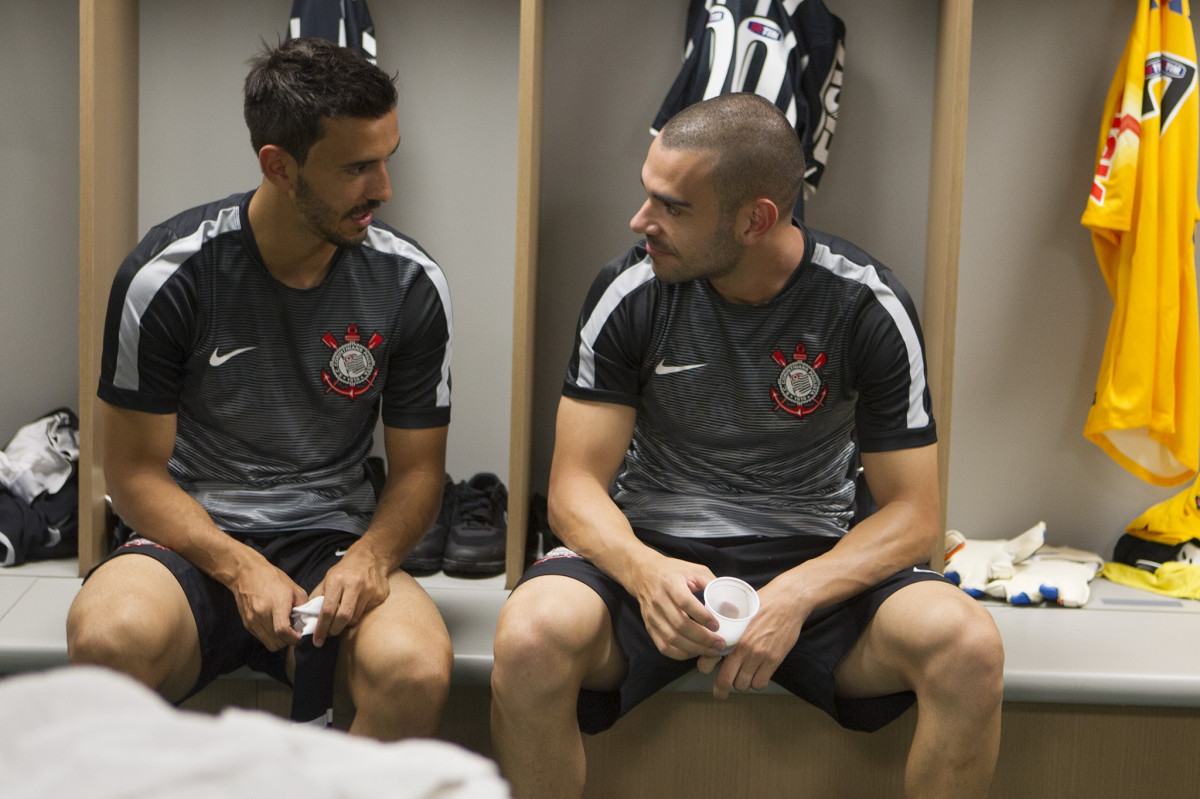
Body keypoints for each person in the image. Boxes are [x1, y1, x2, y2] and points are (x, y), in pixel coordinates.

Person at [490, 93, 1003, 797]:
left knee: (969, 646)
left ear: (756, 219)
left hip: (813, 556)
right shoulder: (629, 291)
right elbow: (575, 487)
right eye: (648, 196)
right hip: (654, 550)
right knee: (528, 636)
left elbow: (915, 515)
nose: (642, 221)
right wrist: (644, 572)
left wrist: (793, 595)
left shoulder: (866, 304)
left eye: (672, 207)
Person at [67, 38, 454, 741]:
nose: (384, 188)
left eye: (387, 157)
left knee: (417, 667)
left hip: (333, 537)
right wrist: (240, 565)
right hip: (192, 538)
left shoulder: (410, 283)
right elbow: (129, 472)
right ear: (278, 166)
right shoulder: (168, 276)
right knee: (107, 638)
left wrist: (369, 558)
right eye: (357, 167)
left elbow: (421, 472)